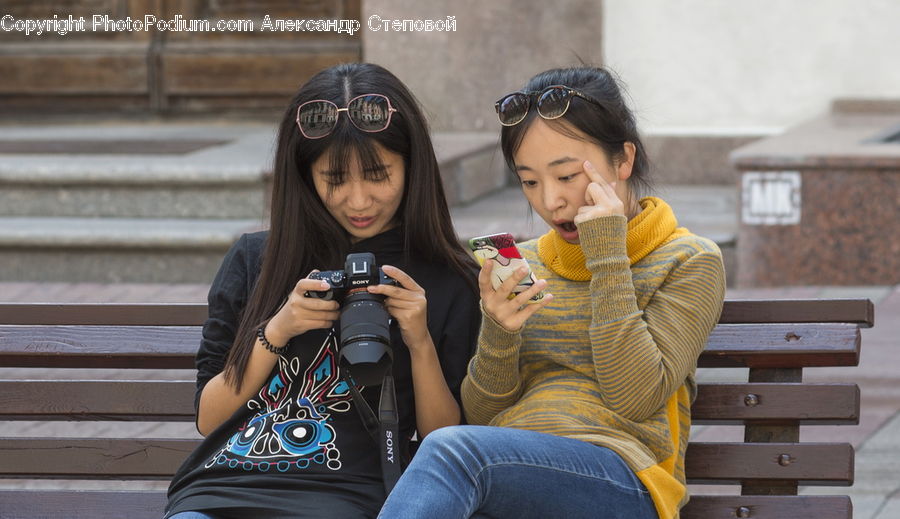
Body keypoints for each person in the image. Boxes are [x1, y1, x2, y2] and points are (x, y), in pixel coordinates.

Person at [378, 66, 726, 519]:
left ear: (623, 161)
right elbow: (483, 417)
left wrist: (607, 257)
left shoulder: (689, 260)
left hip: (624, 481)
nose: (550, 201)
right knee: (460, 455)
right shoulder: (520, 262)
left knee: (452, 452)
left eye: (566, 176)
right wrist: (500, 334)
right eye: (530, 181)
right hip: (510, 475)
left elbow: (636, 398)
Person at [165, 62, 481, 519]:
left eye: (378, 175)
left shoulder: (447, 277)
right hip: (222, 488)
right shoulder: (257, 258)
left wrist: (418, 341)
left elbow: (443, 441)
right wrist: (277, 330)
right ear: (305, 174)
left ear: (412, 164)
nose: (357, 199)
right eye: (334, 179)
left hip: (349, 493)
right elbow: (209, 419)